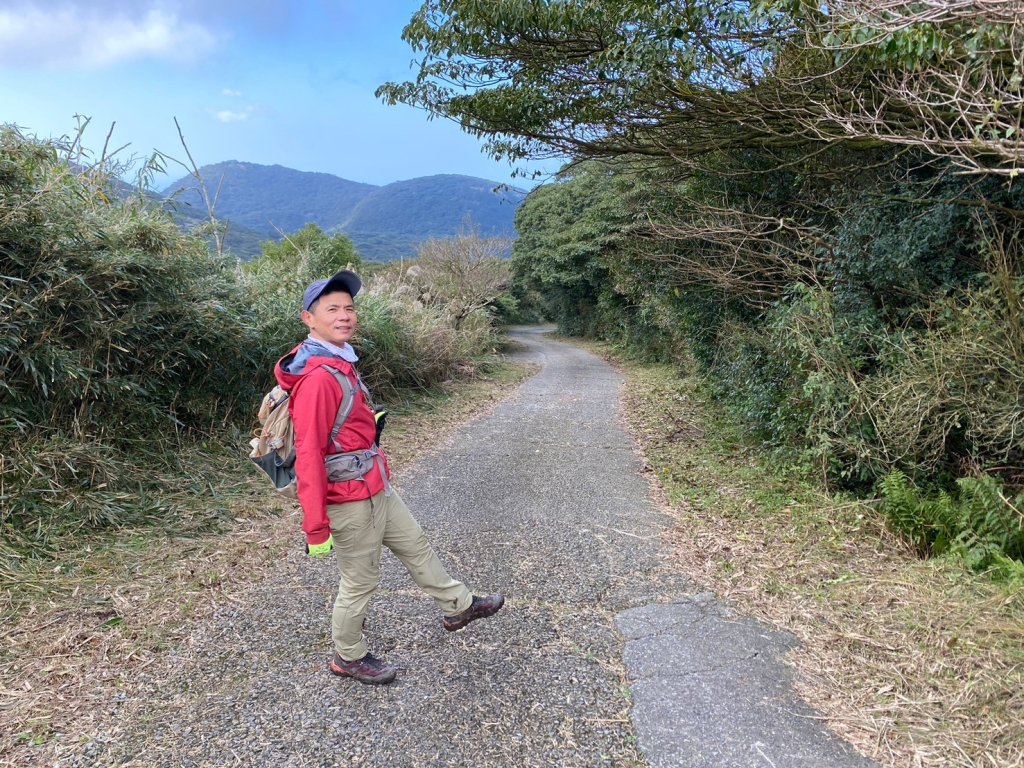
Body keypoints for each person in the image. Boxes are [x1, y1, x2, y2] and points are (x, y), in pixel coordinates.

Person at [273, 269, 504, 685]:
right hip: (348, 498)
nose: (344, 315)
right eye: (332, 309)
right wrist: (315, 528)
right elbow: (308, 454)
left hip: (374, 485)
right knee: (360, 581)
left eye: (349, 308)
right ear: (309, 318)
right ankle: (349, 656)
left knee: (415, 544)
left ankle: (459, 606)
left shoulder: (338, 361)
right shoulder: (319, 379)